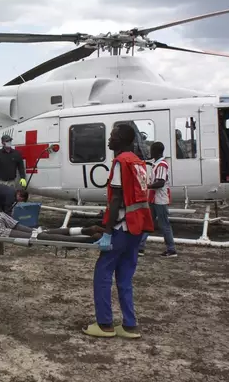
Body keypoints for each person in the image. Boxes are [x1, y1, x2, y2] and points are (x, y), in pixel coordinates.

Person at [83, 124, 153, 339]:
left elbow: (116, 199)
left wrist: (107, 230)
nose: (109, 140)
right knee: (125, 277)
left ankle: (105, 324)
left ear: (121, 139)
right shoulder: (139, 162)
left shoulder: (121, 162)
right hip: (137, 228)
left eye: (112, 136)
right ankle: (129, 325)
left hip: (122, 227)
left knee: (103, 273)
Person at [138, 142, 177, 257]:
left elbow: (160, 182)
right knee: (148, 222)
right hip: (154, 199)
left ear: (156, 151)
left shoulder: (161, 165)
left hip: (159, 199)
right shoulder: (157, 164)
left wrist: (146, 186)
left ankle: (171, 249)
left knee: (164, 224)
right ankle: (140, 247)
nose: (150, 152)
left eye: (151, 150)